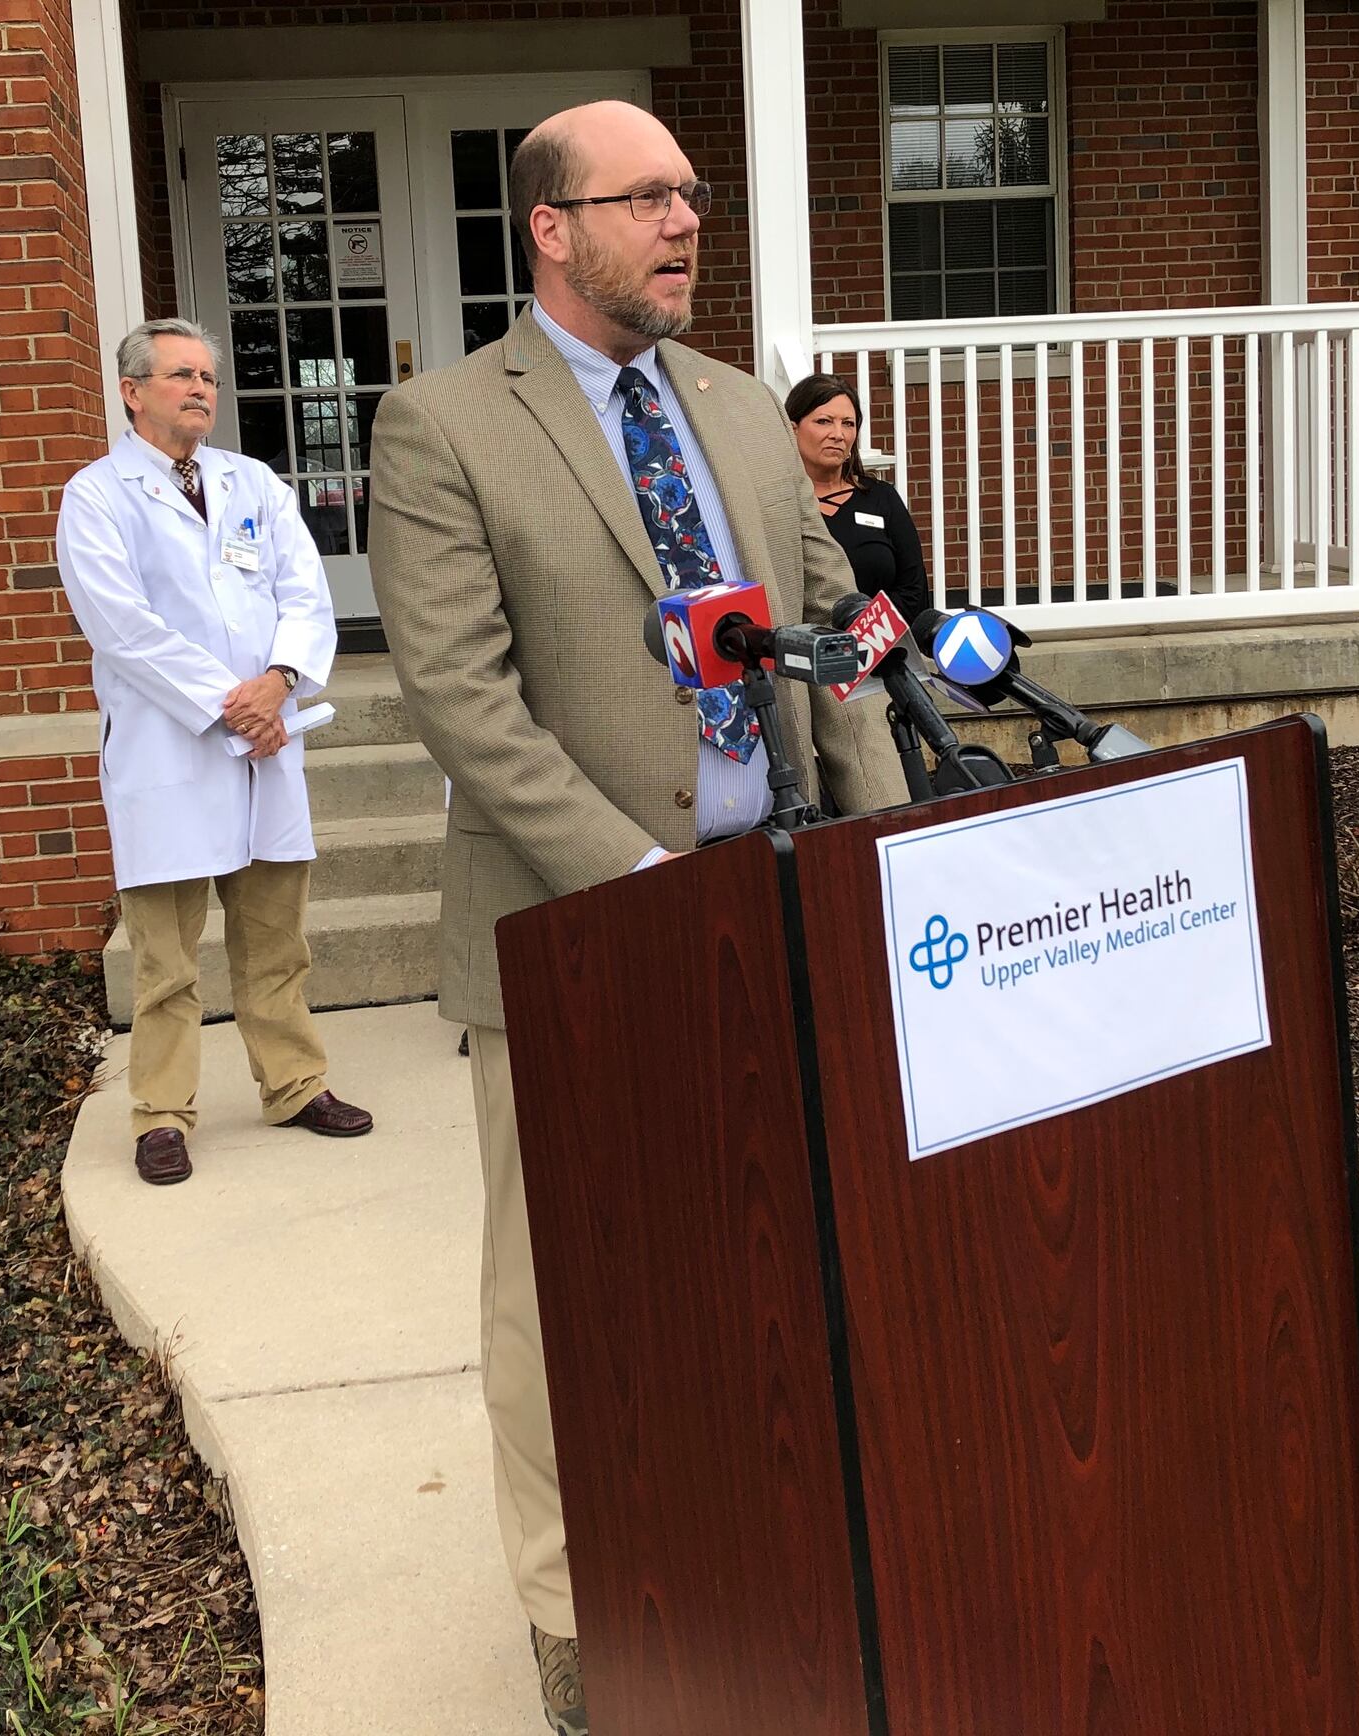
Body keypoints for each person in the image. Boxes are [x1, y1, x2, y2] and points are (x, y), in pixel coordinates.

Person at [366, 101, 899, 1734]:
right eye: (648, 197)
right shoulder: (444, 424)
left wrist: (889, 855)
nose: (685, 221)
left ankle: (752, 1550)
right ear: (551, 228)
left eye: (692, 194)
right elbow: (464, 699)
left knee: (772, 1258)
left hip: (785, 903)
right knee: (566, 1292)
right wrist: (645, 895)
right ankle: (572, 1609)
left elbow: (837, 644)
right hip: (580, 939)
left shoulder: (745, 412)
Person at [56, 318, 373, 1186]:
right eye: (180, 375)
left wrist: (279, 681)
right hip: (170, 750)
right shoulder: (96, 496)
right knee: (164, 958)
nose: (201, 389)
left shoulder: (254, 483)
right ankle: (161, 1113)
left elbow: (304, 591)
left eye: (209, 377)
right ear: (132, 392)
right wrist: (229, 706)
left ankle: (295, 1083)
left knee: (276, 940)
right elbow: (121, 627)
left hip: (267, 741)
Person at [785, 371, 930, 626]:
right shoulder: (779, 504)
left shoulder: (881, 498)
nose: (838, 434)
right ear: (793, 428)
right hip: (806, 652)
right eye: (824, 421)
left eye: (848, 423)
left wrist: (865, 635)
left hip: (883, 651)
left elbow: (914, 592)